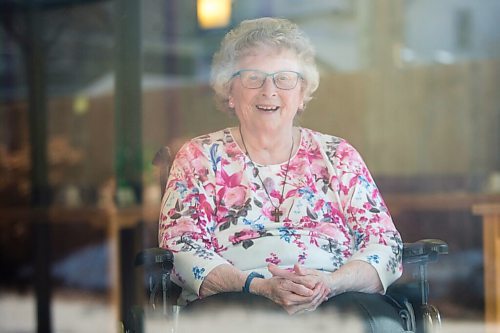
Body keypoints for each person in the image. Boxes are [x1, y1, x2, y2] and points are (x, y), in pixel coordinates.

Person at [159, 17, 404, 332]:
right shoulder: (200, 156)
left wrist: (330, 283)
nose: (269, 91)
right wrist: (259, 286)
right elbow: (181, 245)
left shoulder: (339, 155)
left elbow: (384, 244)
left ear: (302, 93)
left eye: (285, 78)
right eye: (253, 78)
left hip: (338, 291)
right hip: (237, 295)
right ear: (229, 92)